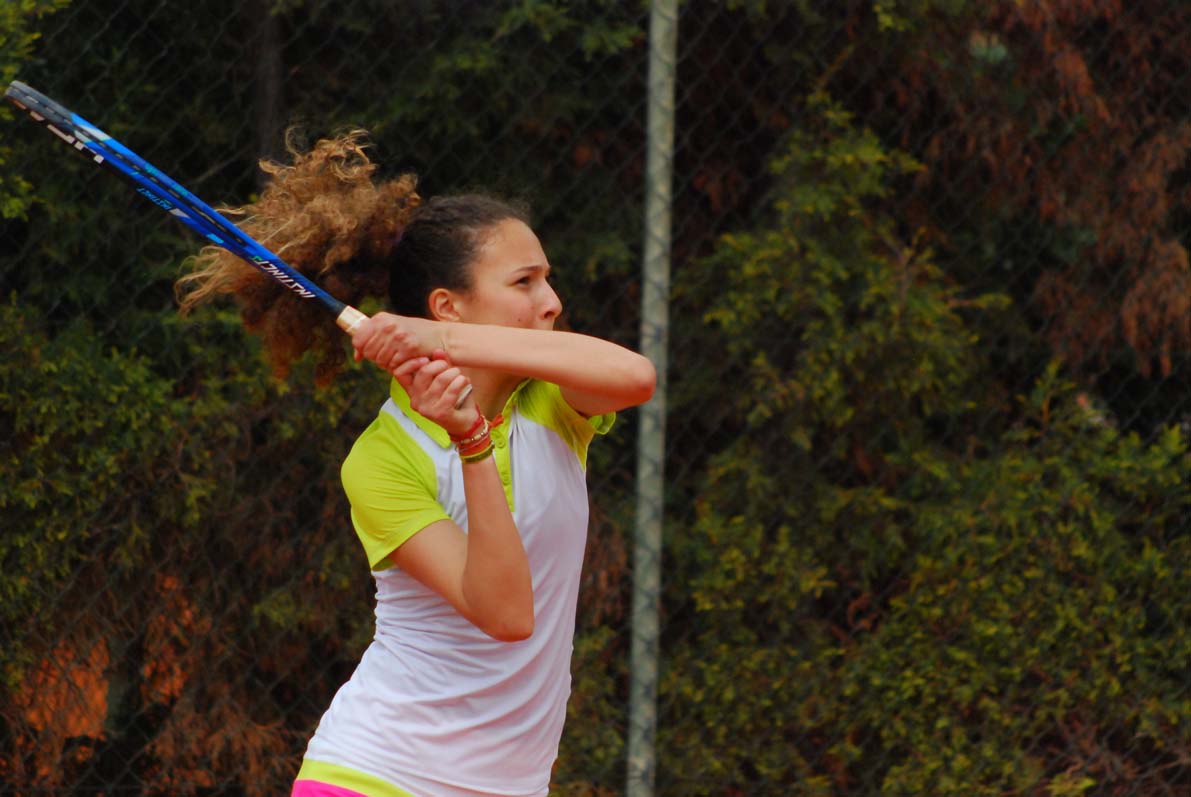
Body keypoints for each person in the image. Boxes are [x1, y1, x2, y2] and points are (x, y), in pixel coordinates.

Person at [176, 131, 656, 797]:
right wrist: (470, 441)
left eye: (547, 279)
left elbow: (635, 376)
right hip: (379, 773)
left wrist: (443, 340)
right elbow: (507, 613)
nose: (551, 301)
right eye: (524, 282)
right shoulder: (384, 457)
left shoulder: (549, 399)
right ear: (446, 303)